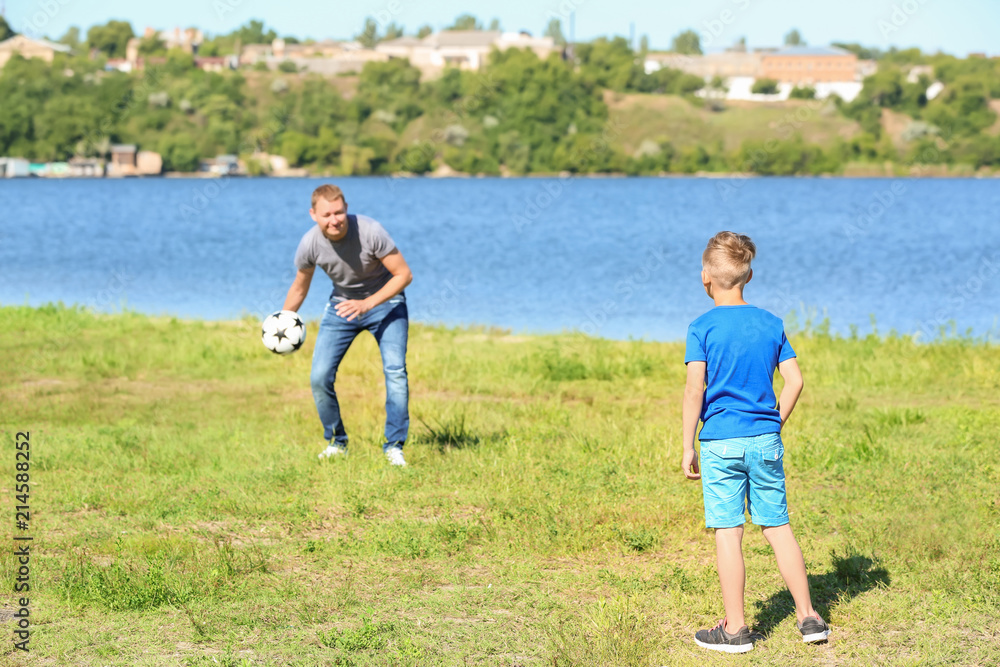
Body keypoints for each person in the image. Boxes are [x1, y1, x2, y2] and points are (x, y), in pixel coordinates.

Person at [681, 231, 830, 653]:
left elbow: (695, 389)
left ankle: (735, 629)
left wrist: (688, 443)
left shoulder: (701, 327)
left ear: (706, 277)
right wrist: (773, 422)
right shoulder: (771, 323)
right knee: (778, 526)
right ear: (748, 275)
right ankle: (809, 618)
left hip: (719, 444)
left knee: (729, 533)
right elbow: (795, 381)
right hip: (765, 440)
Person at [283, 184, 413, 466]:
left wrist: (368, 304)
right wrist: (283, 321)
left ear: (346, 208)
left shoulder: (370, 231)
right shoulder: (310, 243)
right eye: (327, 214)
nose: (335, 220)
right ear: (313, 215)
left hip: (386, 303)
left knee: (395, 372)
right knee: (319, 377)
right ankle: (336, 442)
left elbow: (403, 275)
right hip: (342, 305)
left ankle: (394, 447)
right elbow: (299, 288)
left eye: (339, 212)